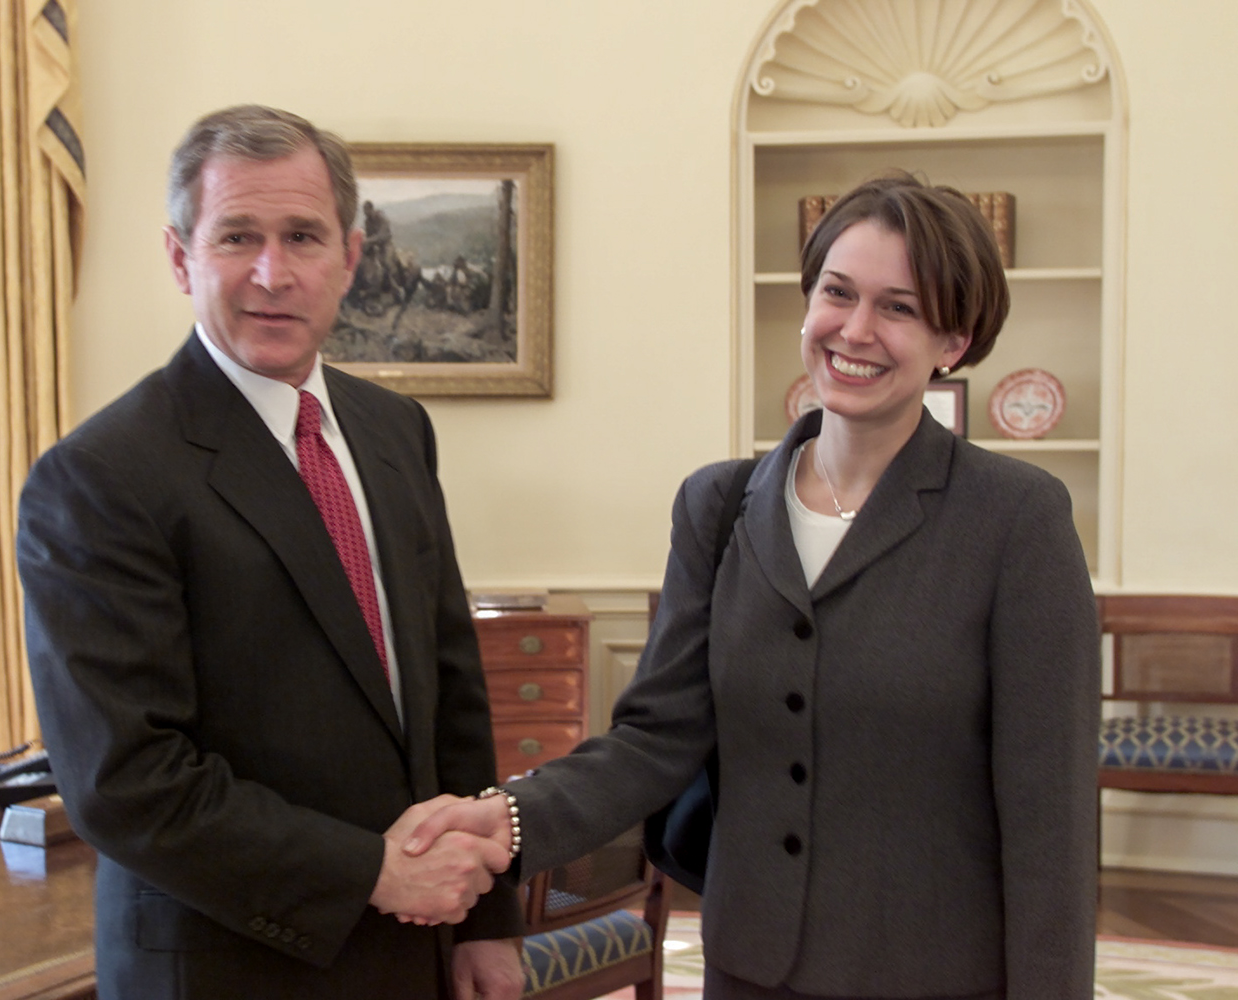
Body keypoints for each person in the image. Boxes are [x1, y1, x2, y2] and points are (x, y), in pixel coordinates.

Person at [405, 173, 1101, 999]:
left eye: (899, 307)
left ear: (955, 340)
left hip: (934, 977)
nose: (856, 329)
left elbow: (1050, 817)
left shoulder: (1017, 519)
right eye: (837, 292)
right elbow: (656, 738)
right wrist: (512, 817)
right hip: (749, 969)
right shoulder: (719, 505)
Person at [17, 105, 522, 1000]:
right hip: (224, 965)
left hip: (414, 952)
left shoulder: (394, 429)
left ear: (350, 258)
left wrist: (485, 921)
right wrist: (370, 872)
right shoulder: (99, 477)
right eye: (237, 236)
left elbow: (451, 692)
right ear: (181, 258)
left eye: (303, 236)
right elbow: (125, 781)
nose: (272, 273)